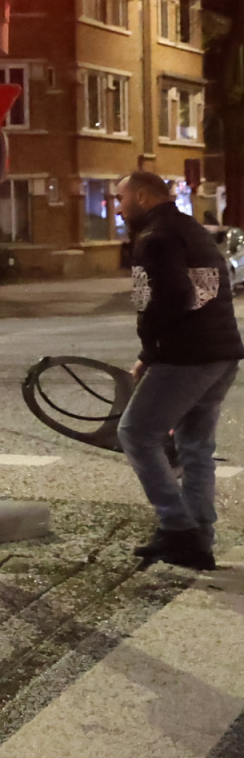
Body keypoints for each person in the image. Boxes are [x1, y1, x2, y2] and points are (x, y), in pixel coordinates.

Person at [114, 170, 241, 571]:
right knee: (196, 447)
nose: (118, 209)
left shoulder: (155, 239)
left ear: (144, 197)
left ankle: (177, 527)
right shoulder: (191, 230)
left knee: (136, 433)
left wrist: (150, 352)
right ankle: (199, 538)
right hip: (220, 352)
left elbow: (167, 300)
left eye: (122, 200)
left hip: (187, 356)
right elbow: (207, 290)